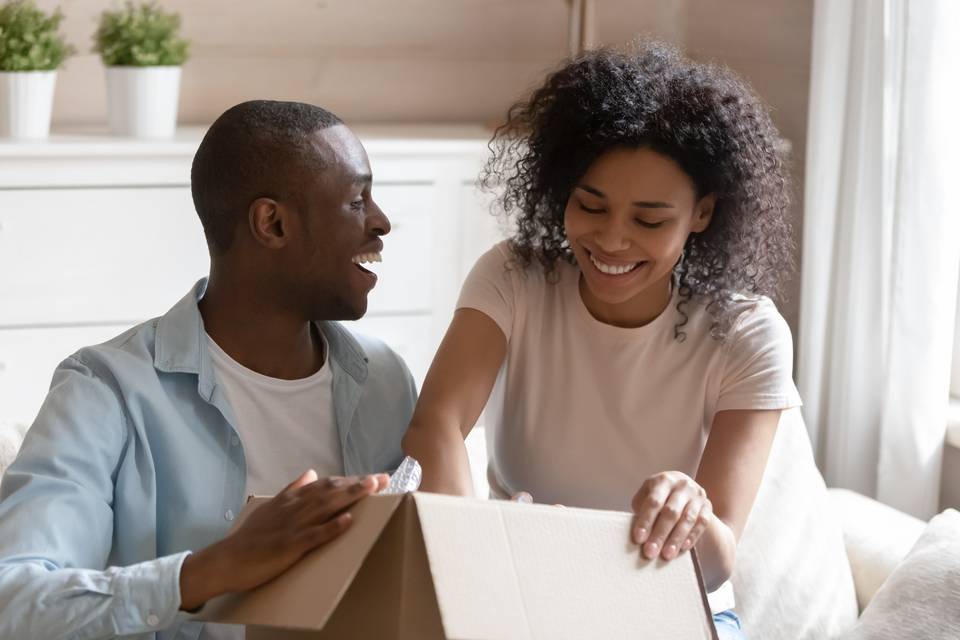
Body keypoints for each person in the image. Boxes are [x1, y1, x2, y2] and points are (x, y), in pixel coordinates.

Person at [401, 42, 800, 639]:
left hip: (667, 599)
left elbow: (717, 562)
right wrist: (473, 557)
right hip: (521, 583)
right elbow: (436, 426)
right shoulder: (514, 277)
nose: (612, 241)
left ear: (702, 213)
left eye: (649, 220)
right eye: (590, 205)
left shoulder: (746, 332)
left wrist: (691, 512)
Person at [0, 100, 417, 639]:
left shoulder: (386, 380)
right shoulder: (106, 391)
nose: (381, 222)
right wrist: (216, 568)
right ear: (272, 223)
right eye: (357, 201)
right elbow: (13, 601)